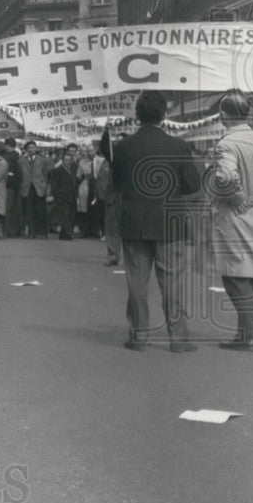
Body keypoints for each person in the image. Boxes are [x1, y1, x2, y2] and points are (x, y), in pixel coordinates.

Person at [112, 90, 201, 352]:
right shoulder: (178, 146)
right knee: (172, 282)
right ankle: (178, 338)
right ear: (165, 114)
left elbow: (117, 184)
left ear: (137, 115)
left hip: (134, 222)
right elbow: (192, 185)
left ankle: (139, 336)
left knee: (137, 282)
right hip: (169, 223)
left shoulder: (122, 147)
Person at [210, 91, 253, 351]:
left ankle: (247, 336)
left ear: (224, 115)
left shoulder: (227, 143)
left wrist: (235, 196)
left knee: (235, 275)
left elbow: (226, 177)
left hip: (238, 215)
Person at [95, 133, 121, 266]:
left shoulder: (134, 157)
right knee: (112, 227)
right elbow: (104, 148)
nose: (119, 144)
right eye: (117, 141)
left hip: (129, 196)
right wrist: (106, 132)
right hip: (113, 197)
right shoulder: (111, 158)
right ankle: (113, 255)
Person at [19, 141, 50, 239]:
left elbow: (45, 174)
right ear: (26, 149)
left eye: (32, 147)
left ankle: (43, 232)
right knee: (29, 211)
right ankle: (31, 233)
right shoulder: (21, 160)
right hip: (27, 188)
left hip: (39, 188)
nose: (30, 149)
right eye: (28, 147)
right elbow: (19, 174)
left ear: (36, 148)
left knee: (41, 211)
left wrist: (44, 185)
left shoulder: (42, 160)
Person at [47, 152, 78, 240]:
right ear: (62, 161)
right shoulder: (58, 170)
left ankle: (63, 235)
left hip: (71, 196)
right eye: (65, 160)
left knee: (68, 216)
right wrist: (57, 195)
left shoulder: (71, 170)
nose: (67, 162)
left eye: (69, 160)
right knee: (64, 216)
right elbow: (54, 185)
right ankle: (68, 235)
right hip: (62, 197)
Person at [3, 137, 23, 237]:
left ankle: (7, 231)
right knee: (16, 209)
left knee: (8, 208)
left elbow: (8, 172)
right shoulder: (20, 156)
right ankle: (16, 231)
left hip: (9, 185)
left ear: (7, 146)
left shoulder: (8, 157)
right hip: (18, 185)